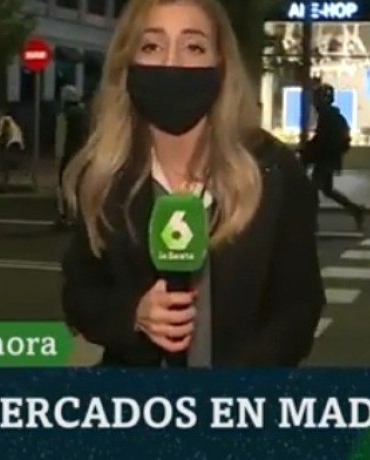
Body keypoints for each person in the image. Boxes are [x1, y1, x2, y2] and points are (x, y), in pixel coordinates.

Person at [61, 0, 325, 367]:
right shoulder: (103, 178)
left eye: (194, 47)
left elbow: (298, 310)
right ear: (127, 63)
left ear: (221, 65)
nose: (172, 62)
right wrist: (133, 314)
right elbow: (80, 295)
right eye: (152, 46)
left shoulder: (273, 172)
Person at [302, 83, 365, 230]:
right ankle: (356, 210)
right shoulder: (331, 115)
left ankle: (312, 223)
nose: (314, 102)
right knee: (327, 190)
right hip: (329, 158)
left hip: (326, 159)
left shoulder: (327, 116)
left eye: (317, 98)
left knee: (313, 190)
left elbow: (322, 139)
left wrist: (307, 151)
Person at [54, 85, 89, 226]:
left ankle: (66, 215)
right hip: (83, 154)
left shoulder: (65, 115)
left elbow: (61, 138)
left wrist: (58, 157)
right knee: (79, 184)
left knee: (65, 184)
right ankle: (79, 216)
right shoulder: (85, 113)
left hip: (69, 154)